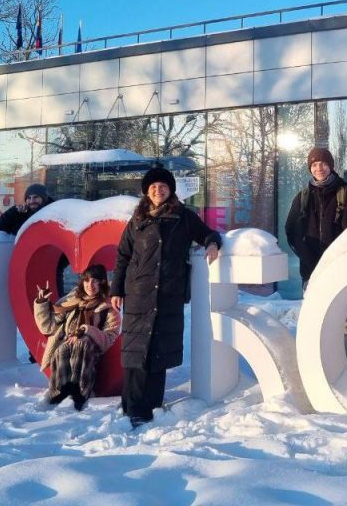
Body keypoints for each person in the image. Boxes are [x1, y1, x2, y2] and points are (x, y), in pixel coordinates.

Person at [110, 166, 221, 428]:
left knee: (158, 351)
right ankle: (132, 406)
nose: (158, 191)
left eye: (162, 186)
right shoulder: (137, 220)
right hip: (138, 293)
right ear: (146, 192)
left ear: (170, 190)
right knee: (135, 350)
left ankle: (151, 405)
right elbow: (123, 256)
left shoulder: (182, 216)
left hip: (168, 294)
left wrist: (213, 244)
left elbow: (207, 233)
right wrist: (116, 289)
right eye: (153, 187)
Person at [285, 146, 347, 377]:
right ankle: (319, 374)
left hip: (340, 270)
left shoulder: (345, 194)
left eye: (323, 163)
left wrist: (335, 258)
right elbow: (290, 231)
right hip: (310, 272)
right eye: (314, 164)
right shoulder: (302, 196)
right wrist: (306, 255)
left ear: (331, 166)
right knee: (315, 323)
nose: (319, 168)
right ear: (310, 168)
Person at [33, 263, 119, 411]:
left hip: (91, 350)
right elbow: (48, 327)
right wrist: (42, 303)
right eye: (86, 280)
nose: (90, 285)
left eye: (94, 281)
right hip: (67, 345)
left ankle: (79, 394)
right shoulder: (72, 301)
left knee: (82, 344)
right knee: (62, 349)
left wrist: (86, 330)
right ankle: (59, 394)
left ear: (102, 282)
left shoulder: (108, 307)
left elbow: (109, 337)